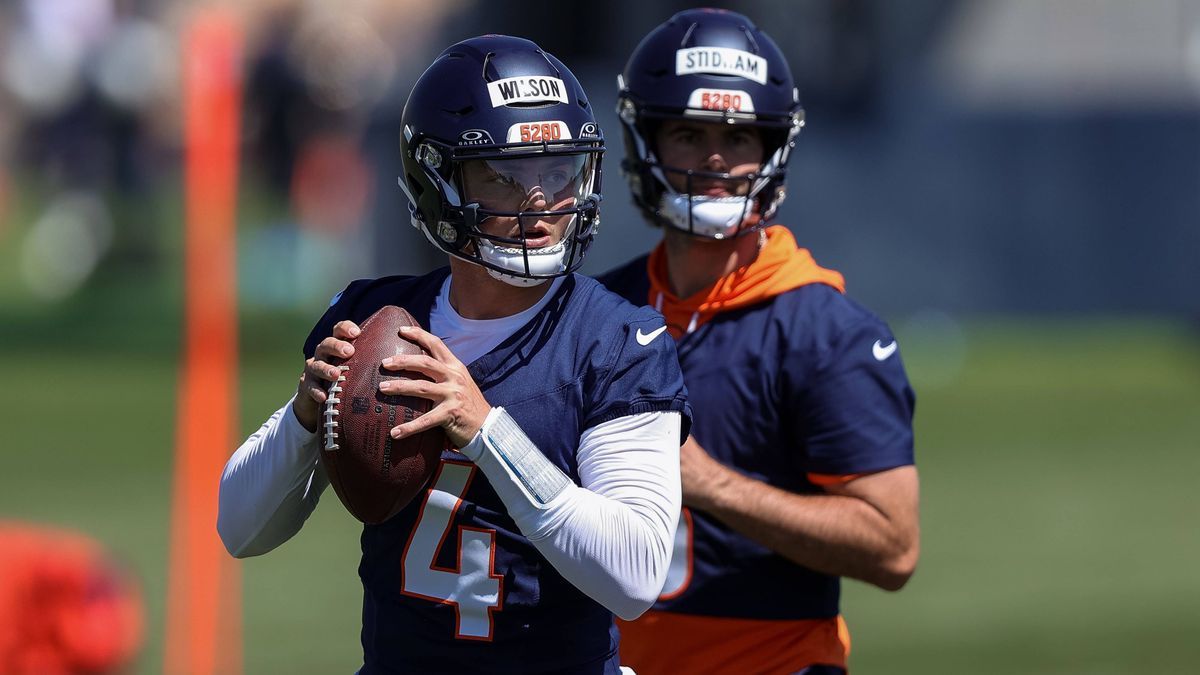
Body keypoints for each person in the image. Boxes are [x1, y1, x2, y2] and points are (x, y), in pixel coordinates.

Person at [218, 35, 690, 674]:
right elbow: (240, 528)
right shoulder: (376, 320)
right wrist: (304, 422)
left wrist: (484, 428)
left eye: (559, 170)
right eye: (504, 175)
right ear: (437, 181)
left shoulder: (616, 342)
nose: (542, 200)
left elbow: (634, 577)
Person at [598, 9, 920, 674]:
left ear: (772, 149)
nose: (716, 157)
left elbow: (892, 547)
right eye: (689, 133)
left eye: (739, 135)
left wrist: (709, 483)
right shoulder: (597, 313)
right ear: (646, 142)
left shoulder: (826, 333)